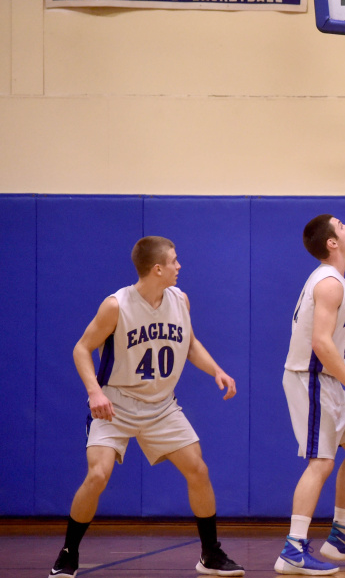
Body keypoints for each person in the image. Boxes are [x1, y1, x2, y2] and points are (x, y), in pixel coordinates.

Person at [48, 236, 244, 578]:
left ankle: (210, 553)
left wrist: (217, 370)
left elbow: (190, 343)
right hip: (116, 405)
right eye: (174, 261)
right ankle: (68, 552)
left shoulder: (180, 299)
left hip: (161, 407)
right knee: (97, 475)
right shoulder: (116, 305)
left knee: (198, 469)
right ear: (157, 268)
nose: (179, 266)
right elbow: (82, 348)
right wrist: (95, 392)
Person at [274, 215, 345, 575]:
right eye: (341, 224)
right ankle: (293, 548)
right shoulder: (330, 284)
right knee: (320, 462)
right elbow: (319, 343)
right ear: (332, 242)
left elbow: (322, 341)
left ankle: (339, 536)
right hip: (311, 379)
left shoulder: (333, 280)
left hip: (327, 377)